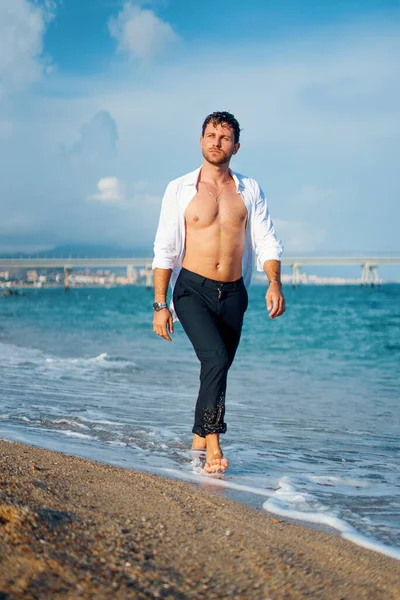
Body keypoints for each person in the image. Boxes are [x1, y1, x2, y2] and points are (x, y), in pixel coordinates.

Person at [152, 111, 285, 474]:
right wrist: (160, 304)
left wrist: (274, 281)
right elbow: (164, 249)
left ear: (236, 146)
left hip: (234, 293)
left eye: (224, 137)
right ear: (200, 141)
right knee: (215, 359)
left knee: (218, 366)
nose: (216, 142)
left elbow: (267, 239)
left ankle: (195, 441)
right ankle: (213, 443)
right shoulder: (179, 189)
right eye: (211, 135)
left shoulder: (250, 190)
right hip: (192, 289)